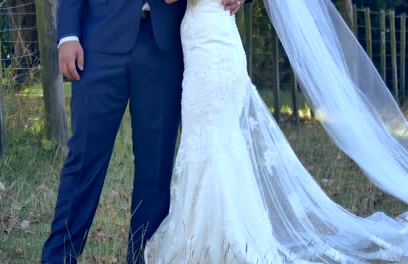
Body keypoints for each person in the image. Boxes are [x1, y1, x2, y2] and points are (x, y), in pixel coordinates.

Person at [144, 0, 408, 263]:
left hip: (212, 46)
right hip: (208, 40)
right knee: (212, 142)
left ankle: (220, 240)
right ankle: (209, 236)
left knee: (212, 142)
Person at [41, 0, 246, 263]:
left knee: (156, 167)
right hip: (99, 40)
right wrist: (68, 35)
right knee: (83, 158)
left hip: (165, 44)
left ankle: (143, 257)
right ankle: (58, 257)